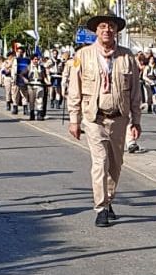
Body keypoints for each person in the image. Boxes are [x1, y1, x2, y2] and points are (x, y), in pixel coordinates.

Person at [66, 13, 142, 228]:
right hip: (94, 118)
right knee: (100, 162)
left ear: (116, 31)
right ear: (96, 31)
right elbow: (74, 89)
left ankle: (108, 200)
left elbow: (135, 92)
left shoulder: (127, 57)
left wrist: (136, 120)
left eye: (111, 27)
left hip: (119, 118)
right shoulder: (83, 55)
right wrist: (74, 120)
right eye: (102, 27)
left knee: (115, 165)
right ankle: (100, 208)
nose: (107, 30)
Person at [24, 54, 48, 120]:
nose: (36, 60)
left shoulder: (41, 68)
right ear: (32, 60)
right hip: (31, 85)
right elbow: (22, 75)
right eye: (35, 59)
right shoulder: (28, 67)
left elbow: (44, 77)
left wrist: (47, 82)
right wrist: (25, 79)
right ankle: (32, 114)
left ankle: (39, 115)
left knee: (40, 100)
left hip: (39, 85)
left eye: (37, 59)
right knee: (31, 101)